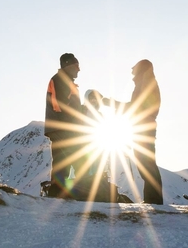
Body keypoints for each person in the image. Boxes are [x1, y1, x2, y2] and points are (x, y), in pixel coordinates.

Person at [102, 59, 163, 204]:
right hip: (142, 127)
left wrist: (114, 104)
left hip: (144, 127)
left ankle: (153, 200)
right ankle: (152, 199)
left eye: (134, 69)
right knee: (146, 163)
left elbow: (137, 107)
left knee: (146, 163)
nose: (132, 72)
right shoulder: (145, 83)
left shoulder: (146, 83)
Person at [44, 53, 95, 197]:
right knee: (75, 159)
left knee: (66, 160)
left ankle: (60, 193)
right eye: (76, 66)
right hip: (62, 127)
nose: (79, 69)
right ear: (67, 65)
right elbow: (58, 104)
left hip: (65, 127)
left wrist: (83, 110)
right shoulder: (59, 80)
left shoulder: (67, 82)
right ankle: (65, 193)